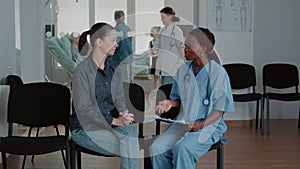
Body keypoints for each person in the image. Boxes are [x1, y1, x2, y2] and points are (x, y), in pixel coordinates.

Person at [149, 27, 234, 168]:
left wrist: (200, 125)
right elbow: (179, 100)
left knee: (182, 148)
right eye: (185, 45)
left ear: (204, 48)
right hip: (183, 122)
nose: (185, 49)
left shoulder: (218, 73)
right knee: (156, 148)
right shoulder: (183, 70)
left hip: (208, 126)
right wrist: (170, 103)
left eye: (190, 45)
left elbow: (220, 109)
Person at [71, 22, 139, 169]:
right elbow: (84, 109)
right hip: (86, 129)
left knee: (131, 132)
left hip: (109, 127)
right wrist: (114, 121)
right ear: (99, 42)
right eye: (113, 40)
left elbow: (119, 97)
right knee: (130, 144)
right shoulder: (82, 71)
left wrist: (124, 114)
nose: (117, 45)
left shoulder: (113, 67)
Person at [154, 7, 185, 85]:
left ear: (170, 17)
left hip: (173, 66)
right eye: (161, 17)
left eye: (163, 17)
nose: (161, 19)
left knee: (169, 89)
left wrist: (181, 65)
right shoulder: (162, 30)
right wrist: (154, 50)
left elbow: (181, 49)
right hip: (163, 65)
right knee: (164, 88)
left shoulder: (177, 31)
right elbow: (157, 44)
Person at [110, 10, 133, 82]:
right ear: (123, 17)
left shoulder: (115, 30)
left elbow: (115, 46)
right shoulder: (128, 29)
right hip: (128, 58)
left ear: (115, 19)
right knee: (128, 82)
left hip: (118, 59)